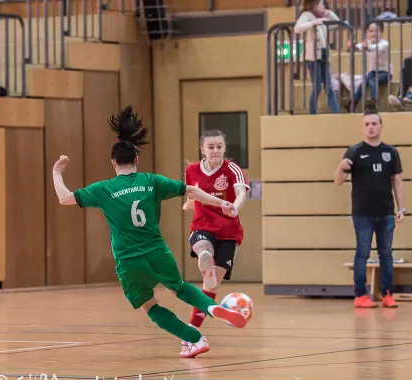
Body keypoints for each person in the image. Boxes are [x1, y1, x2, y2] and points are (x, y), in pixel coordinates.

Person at [51, 106, 248, 357]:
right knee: (179, 287)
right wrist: (221, 202)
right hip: (157, 251)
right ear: (137, 160)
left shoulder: (104, 188)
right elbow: (192, 191)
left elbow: (65, 198)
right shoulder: (152, 181)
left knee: (149, 304)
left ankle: (194, 338)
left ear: (113, 163)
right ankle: (211, 308)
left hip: (128, 260)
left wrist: (57, 173)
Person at [181, 129, 250, 358]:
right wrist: (189, 204)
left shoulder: (231, 169)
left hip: (229, 233)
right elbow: (191, 197)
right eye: (211, 147)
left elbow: (241, 193)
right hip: (202, 227)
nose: (216, 151)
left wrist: (235, 208)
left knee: (210, 287)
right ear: (202, 149)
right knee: (203, 247)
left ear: (224, 148)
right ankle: (204, 257)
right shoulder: (191, 170)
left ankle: (191, 330)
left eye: (219, 146)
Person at [334, 109, 405, 309]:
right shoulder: (354, 151)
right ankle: (360, 296)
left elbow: (397, 181)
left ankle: (388, 294)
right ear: (362, 127)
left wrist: (402, 208)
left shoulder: (391, 152)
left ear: (381, 126)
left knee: (386, 253)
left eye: (374, 123)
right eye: (367, 124)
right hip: (362, 213)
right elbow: (338, 181)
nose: (371, 127)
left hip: (386, 212)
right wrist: (340, 167)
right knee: (362, 253)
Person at [294, 0, 341, 114]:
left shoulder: (323, 18)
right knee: (317, 86)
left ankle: (336, 113)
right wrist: (313, 23)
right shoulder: (307, 15)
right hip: (313, 57)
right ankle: (312, 112)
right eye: (321, 4)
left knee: (329, 87)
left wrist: (329, 13)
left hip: (323, 54)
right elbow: (297, 28)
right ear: (314, 5)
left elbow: (336, 24)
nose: (323, 6)